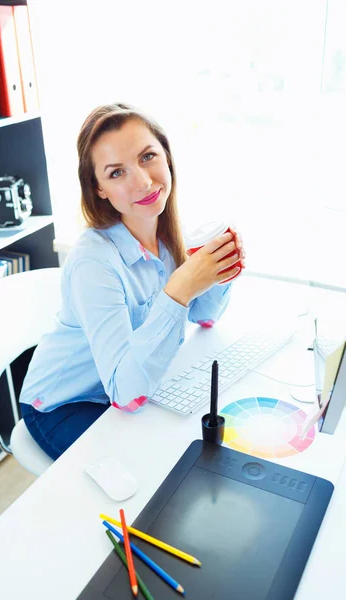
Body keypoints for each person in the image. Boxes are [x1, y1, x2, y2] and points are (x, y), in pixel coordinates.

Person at [19, 102, 245, 460]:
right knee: (150, 472)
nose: (142, 181)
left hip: (126, 387)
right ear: (99, 190)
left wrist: (221, 269)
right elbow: (126, 395)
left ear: (167, 157)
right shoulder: (93, 262)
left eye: (147, 157)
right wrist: (179, 290)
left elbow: (206, 316)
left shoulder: (171, 235)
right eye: (116, 173)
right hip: (64, 403)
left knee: (196, 450)